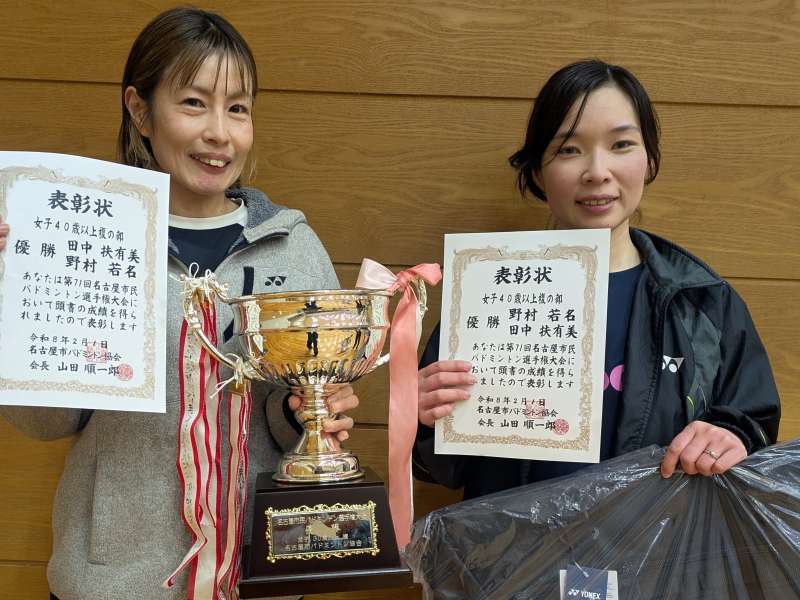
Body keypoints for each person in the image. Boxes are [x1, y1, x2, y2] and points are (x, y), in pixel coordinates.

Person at [0, 7, 358, 599]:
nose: (219, 132)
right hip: (118, 578)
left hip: (258, 569)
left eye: (237, 108)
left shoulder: (292, 246)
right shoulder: (89, 240)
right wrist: (13, 299)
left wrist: (308, 413)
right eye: (194, 103)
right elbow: (46, 423)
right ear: (140, 110)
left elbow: (292, 417)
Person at [412, 59, 781, 501]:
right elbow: (441, 469)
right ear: (537, 171)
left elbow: (754, 426)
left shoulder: (701, 301)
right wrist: (421, 418)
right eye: (569, 149)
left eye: (621, 144)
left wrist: (731, 436)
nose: (597, 171)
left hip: (657, 545)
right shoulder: (485, 291)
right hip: (513, 545)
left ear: (649, 160)